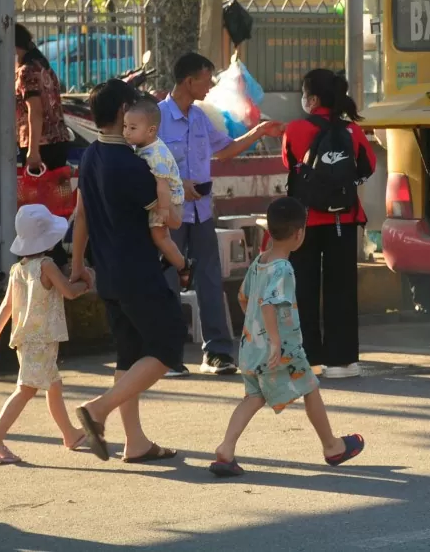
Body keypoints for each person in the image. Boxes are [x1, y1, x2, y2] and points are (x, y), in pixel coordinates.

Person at [209, 196, 365, 477]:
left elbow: (244, 298)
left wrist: (256, 330)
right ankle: (332, 446)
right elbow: (269, 303)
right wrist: (276, 341)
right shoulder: (283, 268)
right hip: (282, 350)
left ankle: (226, 448)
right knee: (310, 387)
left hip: (251, 346)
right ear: (299, 234)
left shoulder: (260, 261)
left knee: (253, 397)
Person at [71, 79, 185, 464]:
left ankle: (135, 443)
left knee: (129, 355)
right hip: (137, 271)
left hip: (108, 274)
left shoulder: (89, 157)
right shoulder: (133, 165)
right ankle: (98, 410)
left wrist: (77, 267)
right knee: (168, 345)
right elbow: (169, 220)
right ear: (122, 113)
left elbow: (81, 215)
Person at [158, 52, 282, 377]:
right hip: (168, 215)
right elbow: (142, 162)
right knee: (167, 281)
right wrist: (175, 185)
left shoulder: (200, 118)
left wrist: (259, 132)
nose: (211, 85)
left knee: (211, 280)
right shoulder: (156, 117)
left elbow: (224, 150)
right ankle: (166, 354)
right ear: (189, 80)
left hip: (200, 213)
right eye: (206, 78)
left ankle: (217, 353)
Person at [282, 69, 376, 379]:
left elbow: (289, 163)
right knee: (342, 290)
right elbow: (369, 166)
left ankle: (309, 360)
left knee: (304, 290)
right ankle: (343, 361)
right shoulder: (352, 132)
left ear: (312, 99)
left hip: (305, 223)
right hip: (344, 219)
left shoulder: (295, 129)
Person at [0, 204, 92, 464]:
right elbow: (69, 291)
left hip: (26, 339)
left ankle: (69, 434)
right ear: (49, 240)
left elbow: (7, 305)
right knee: (26, 389)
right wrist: (86, 283)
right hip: (41, 340)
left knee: (53, 385)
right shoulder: (47, 265)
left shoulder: (18, 269)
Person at [121, 97, 189, 279]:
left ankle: (184, 266)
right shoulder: (145, 146)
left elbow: (163, 185)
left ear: (151, 130)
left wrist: (165, 210)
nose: (126, 132)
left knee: (160, 236)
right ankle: (171, 257)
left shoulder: (155, 155)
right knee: (160, 237)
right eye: (125, 126)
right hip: (165, 196)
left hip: (169, 197)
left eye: (132, 128)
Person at [15, 24, 71, 174]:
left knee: (36, 196)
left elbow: (35, 110)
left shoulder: (26, 71)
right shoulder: (43, 67)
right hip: (57, 141)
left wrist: (33, 151)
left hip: (40, 145)